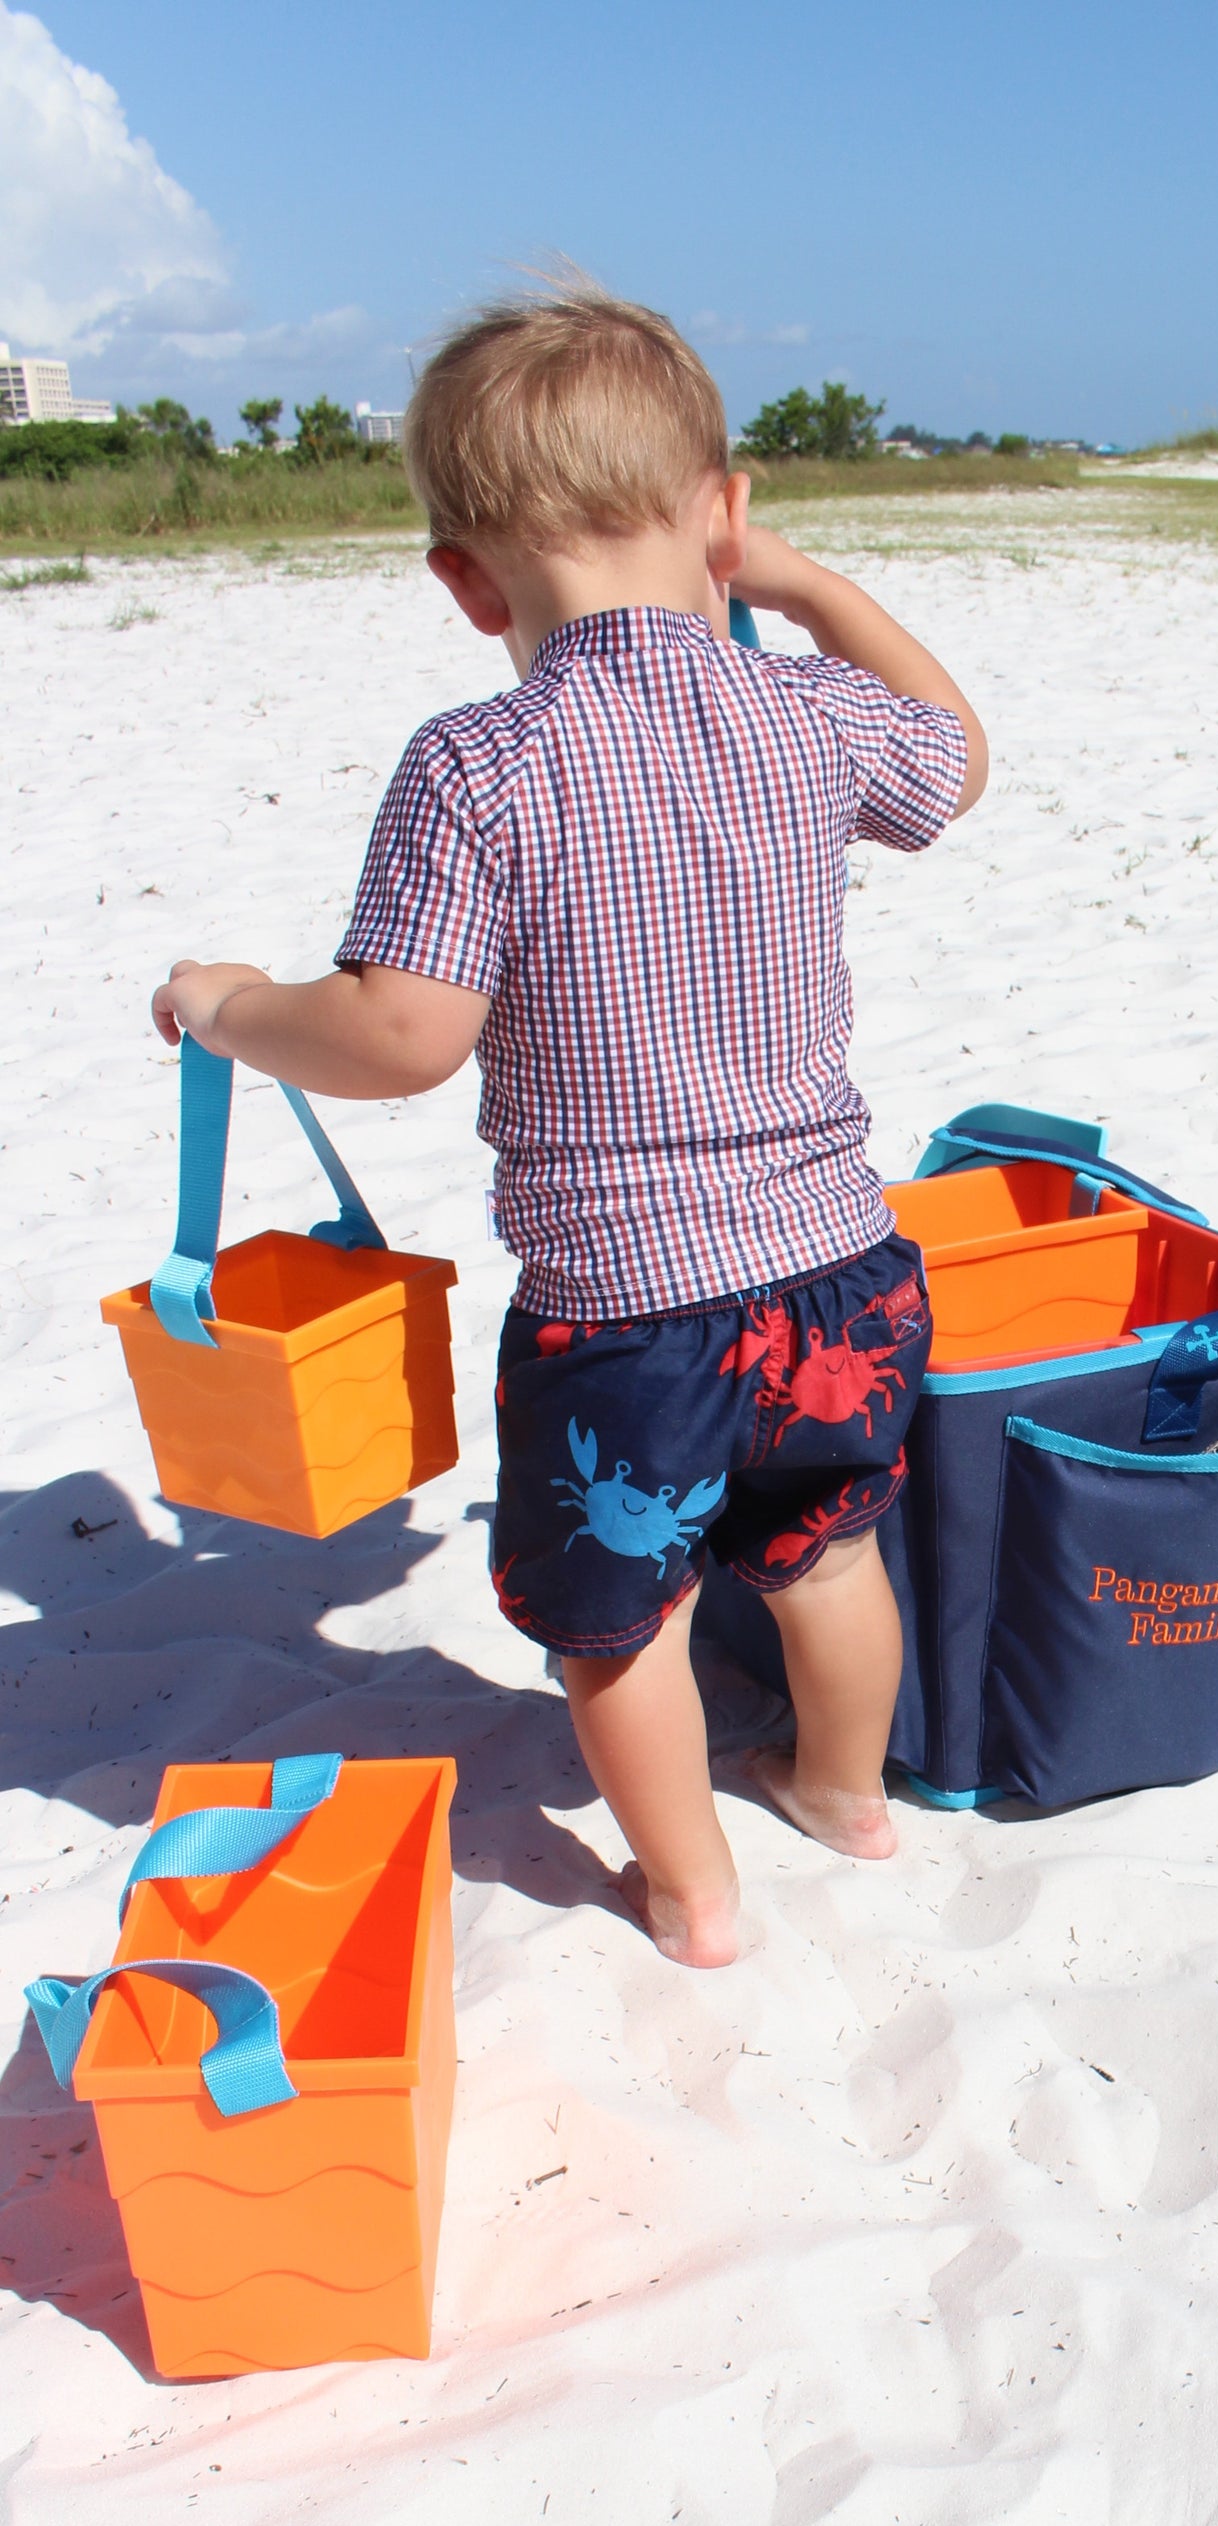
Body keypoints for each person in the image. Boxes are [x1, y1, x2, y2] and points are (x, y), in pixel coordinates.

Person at [151, 283, 987, 1970]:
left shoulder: (480, 764)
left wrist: (234, 1007)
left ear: (465, 581)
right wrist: (816, 590)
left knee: (627, 1622)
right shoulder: (807, 714)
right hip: (843, 1273)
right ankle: (846, 1794)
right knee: (826, 1556)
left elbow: (400, 1035)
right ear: (723, 517)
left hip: (628, 1313)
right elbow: (952, 762)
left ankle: (691, 1894)